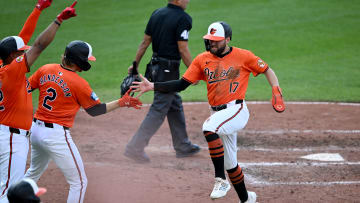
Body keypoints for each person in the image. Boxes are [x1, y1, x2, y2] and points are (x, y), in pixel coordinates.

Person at [131, 21, 286, 203]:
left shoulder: (243, 56)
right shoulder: (202, 59)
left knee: (209, 127)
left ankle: (220, 180)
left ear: (227, 39)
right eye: (210, 40)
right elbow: (181, 84)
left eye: (216, 41)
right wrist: (153, 86)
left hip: (236, 110)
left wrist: (276, 90)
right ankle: (247, 199)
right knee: (230, 163)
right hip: (218, 113)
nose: (212, 43)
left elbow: (267, 69)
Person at [24, 40, 142, 203]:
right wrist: (121, 102)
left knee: (32, 173)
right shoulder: (79, 84)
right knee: (79, 182)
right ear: (80, 62)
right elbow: (95, 110)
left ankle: (9, 199)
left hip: (35, 131)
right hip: (55, 136)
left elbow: (25, 89)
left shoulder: (45, 69)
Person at [0, 1, 77, 202]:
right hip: (10, 138)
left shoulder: (3, 64)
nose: (24, 53)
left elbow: (22, 37)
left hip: (6, 132)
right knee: (7, 192)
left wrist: (38, 9)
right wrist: (58, 20)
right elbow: (38, 45)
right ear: (12, 56)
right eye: (21, 52)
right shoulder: (12, 72)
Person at [124, 0, 200, 163]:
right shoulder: (183, 18)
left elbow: (145, 43)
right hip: (168, 69)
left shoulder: (157, 13)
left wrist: (135, 64)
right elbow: (183, 48)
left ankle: (182, 145)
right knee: (159, 108)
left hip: (156, 66)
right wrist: (194, 72)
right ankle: (135, 147)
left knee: (174, 104)